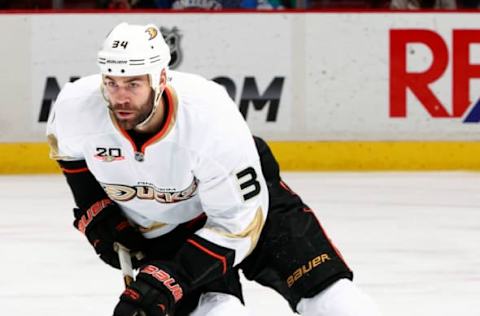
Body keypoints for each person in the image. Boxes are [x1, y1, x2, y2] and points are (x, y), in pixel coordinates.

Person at [47, 22, 380, 316]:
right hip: (166, 230)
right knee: (222, 312)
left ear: (161, 78)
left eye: (133, 84)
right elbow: (71, 156)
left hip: (249, 210)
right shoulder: (76, 107)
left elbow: (239, 225)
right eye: (112, 83)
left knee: (334, 301)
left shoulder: (209, 118)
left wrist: (168, 281)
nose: (120, 97)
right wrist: (98, 211)